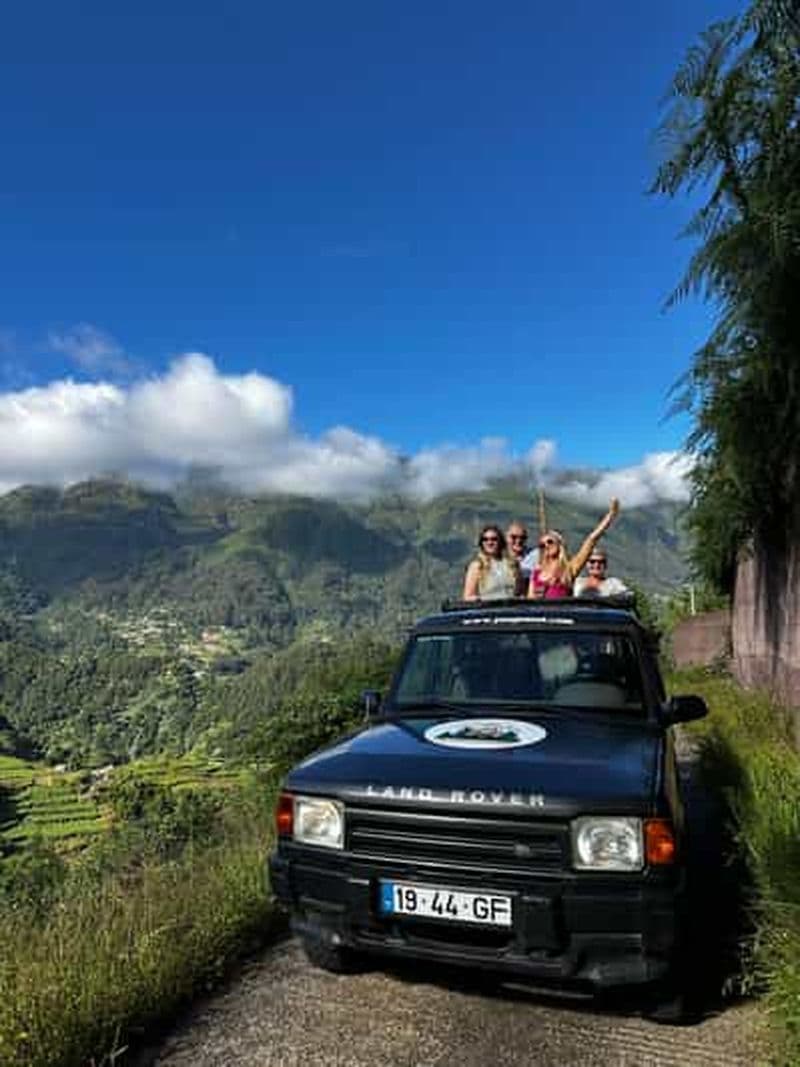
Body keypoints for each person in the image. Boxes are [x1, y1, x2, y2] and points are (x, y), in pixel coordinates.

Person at [528, 499, 620, 599]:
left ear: (560, 544)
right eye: (542, 545)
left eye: (550, 542)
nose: (546, 546)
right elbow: (529, 599)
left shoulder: (569, 569)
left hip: (562, 613)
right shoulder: (537, 572)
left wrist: (610, 515)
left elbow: (591, 540)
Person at [463, 525, 522, 600]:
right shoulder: (477, 566)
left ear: (500, 541)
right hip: (488, 609)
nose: (490, 542)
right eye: (485, 539)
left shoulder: (513, 564)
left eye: (494, 539)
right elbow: (468, 596)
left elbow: (521, 594)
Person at [506, 520, 535, 585]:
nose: (518, 541)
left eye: (522, 538)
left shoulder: (535, 556)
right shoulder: (498, 557)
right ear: (507, 537)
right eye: (514, 537)